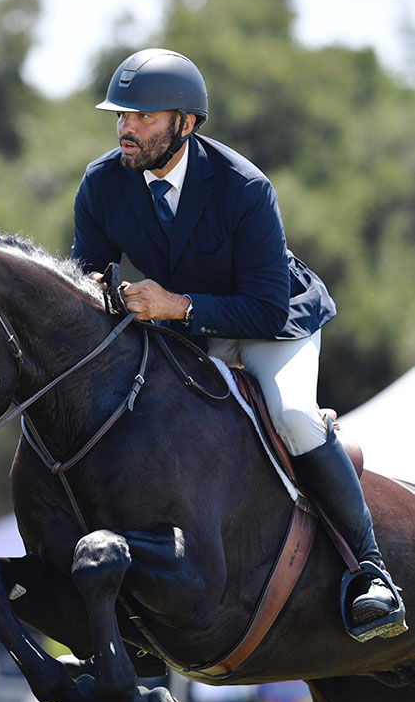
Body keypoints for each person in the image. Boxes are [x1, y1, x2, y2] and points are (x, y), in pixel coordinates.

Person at [72, 47, 406, 641]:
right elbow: (88, 273)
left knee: (296, 417)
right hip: (187, 330)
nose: (127, 127)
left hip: (273, 322)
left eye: (144, 117)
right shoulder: (103, 182)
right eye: (121, 115)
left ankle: (370, 574)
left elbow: (266, 305)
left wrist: (176, 306)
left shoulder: (243, 186)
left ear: (186, 123)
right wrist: (101, 289)